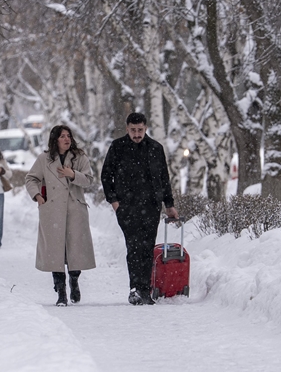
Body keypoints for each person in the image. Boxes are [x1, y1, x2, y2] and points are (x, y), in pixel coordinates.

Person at [101, 112, 178, 306]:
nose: (137, 134)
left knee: (146, 248)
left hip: (151, 206)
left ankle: (145, 289)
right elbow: (106, 175)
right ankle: (134, 288)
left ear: (146, 128)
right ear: (127, 128)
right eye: (133, 130)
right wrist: (114, 202)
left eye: (140, 130)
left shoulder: (155, 148)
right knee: (133, 246)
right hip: (127, 207)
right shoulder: (118, 147)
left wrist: (169, 205)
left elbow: (163, 178)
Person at [25, 125, 96, 306]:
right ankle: (61, 292)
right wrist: (38, 196)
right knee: (55, 253)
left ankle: (74, 280)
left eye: (68, 136)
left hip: (75, 209)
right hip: (52, 211)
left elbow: (89, 180)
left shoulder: (80, 157)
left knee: (75, 249)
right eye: (62, 136)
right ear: (55, 139)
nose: (66, 139)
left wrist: (73, 174)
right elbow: (31, 178)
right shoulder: (44, 159)